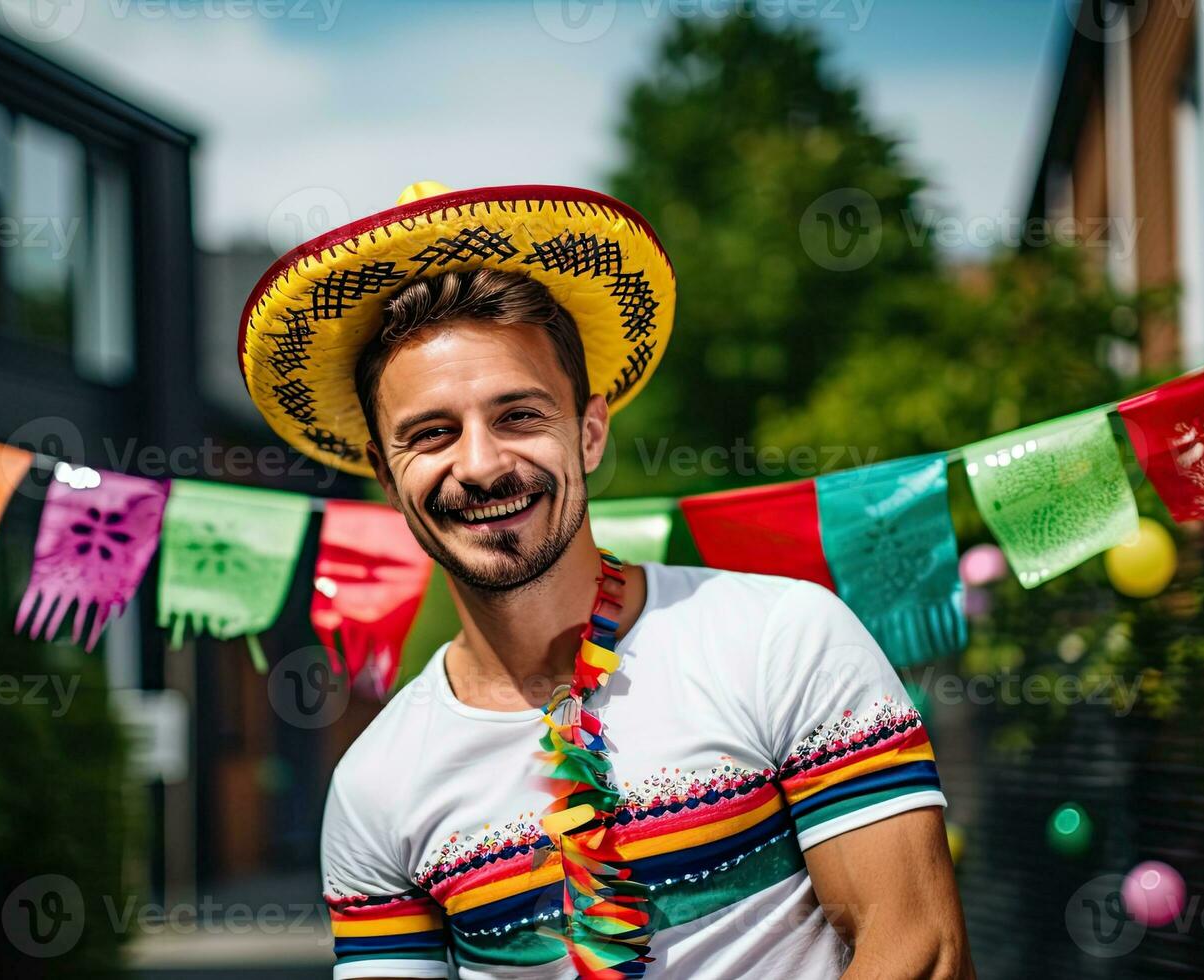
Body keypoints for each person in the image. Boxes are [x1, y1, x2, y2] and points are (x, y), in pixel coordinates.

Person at [237, 181, 972, 979]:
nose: (480, 465)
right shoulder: (374, 784)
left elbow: (917, 949)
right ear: (386, 475)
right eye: (432, 434)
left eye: (519, 416)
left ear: (588, 432)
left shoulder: (779, 637)